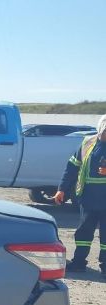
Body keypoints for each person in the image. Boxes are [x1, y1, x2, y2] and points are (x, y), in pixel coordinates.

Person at [55, 115, 106, 277]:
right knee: (84, 232)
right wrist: (62, 189)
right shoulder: (87, 143)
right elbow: (72, 167)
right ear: (100, 129)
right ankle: (78, 262)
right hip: (88, 198)